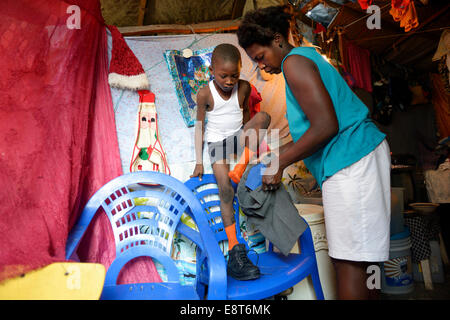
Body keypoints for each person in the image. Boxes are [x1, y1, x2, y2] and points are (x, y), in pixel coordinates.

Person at [237, 6, 391, 299]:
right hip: (359, 155)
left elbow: (326, 125)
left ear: (278, 40)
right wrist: (277, 155)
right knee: (363, 258)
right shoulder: (305, 59)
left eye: (260, 57)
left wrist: (281, 161)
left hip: (352, 161)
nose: (261, 66)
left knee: (348, 261)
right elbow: (318, 126)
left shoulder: (294, 63)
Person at [190, 43, 271, 281]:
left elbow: (247, 117)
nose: (228, 81)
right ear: (211, 71)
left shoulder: (244, 88)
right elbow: (199, 127)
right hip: (217, 146)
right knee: (225, 191)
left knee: (264, 117)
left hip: (237, 141)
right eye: (223, 75)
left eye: (234, 75)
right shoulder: (205, 93)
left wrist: (251, 146)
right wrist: (198, 161)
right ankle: (236, 248)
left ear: (240, 70)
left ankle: (240, 168)